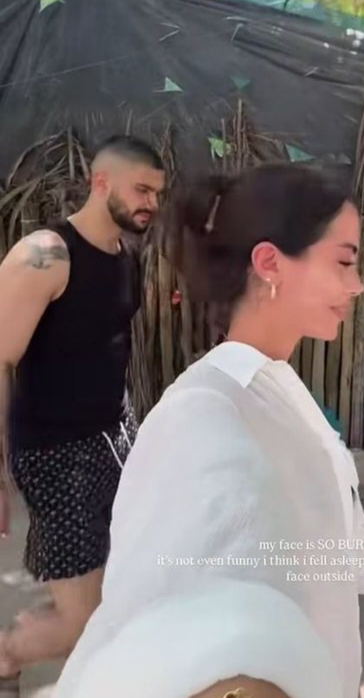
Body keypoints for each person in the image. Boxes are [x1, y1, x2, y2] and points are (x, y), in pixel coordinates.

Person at [52, 164, 364, 698]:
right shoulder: (204, 416)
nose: (358, 284)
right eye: (344, 261)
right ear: (270, 263)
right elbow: (173, 616)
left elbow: (323, 544)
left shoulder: (272, 389)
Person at [0, 135, 165, 690]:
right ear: (101, 182)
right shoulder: (45, 255)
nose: (151, 203)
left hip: (115, 437)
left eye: (156, 193)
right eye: (141, 189)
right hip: (55, 456)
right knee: (81, 624)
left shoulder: (125, 255)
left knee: (129, 581)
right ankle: (6, 654)